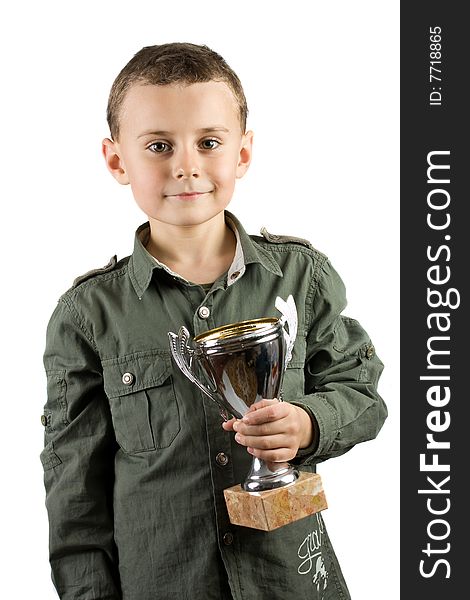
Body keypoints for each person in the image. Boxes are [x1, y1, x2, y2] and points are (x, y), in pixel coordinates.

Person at [41, 42, 387, 600]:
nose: (186, 165)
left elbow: (361, 392)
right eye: (158, 145)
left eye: (208, 142)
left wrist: (308, 423)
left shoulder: (301, 277)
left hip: (292, 582)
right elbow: (74, 487)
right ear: (116, 161)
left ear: (243, 153)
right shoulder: (87, 315)